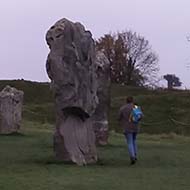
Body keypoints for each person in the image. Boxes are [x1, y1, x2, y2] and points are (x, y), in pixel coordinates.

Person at [119, 96, 141, 165]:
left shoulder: (123, 108)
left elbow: (119, 117)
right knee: (134, 140)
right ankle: (135, 155)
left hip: (127, 127)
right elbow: (141, 116)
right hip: (135, 126)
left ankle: (132, 156)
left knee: (129, 142)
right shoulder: (136, 107)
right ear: (132, 101)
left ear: (126, 101)